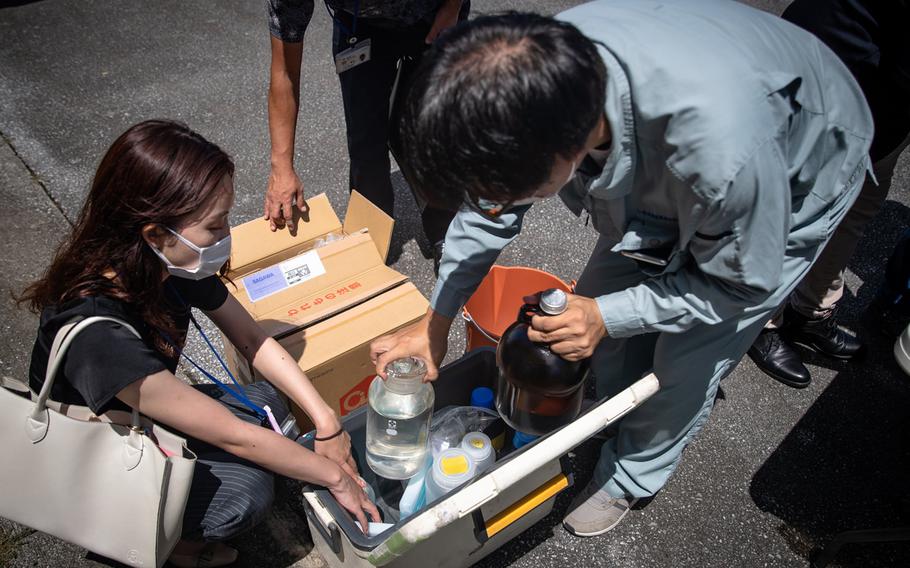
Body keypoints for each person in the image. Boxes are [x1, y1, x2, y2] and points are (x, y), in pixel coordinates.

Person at [369, 1, 873, 537]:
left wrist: (608, 316)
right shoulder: (533, 72)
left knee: (687, 358)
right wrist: (435, 326)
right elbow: (486, 218)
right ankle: (605, 400)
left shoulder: (722, 156)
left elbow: (739, 285)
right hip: (688, 155)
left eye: (504, 195)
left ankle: (632, 473)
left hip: (797, 162)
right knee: (593, 313)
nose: (494, 207)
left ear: (567, 149)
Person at [20, 120, 379, 567]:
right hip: (96, 452)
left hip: (145, 412)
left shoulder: (165, 265)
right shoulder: (98, 334)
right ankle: (174, 549)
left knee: (269, 402)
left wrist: (328, 423)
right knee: (245, 491)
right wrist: (336, 477)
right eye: (215, 226)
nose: (227, 236)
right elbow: (235, 438)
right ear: (155, 234)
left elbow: (250, 338)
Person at [747, 0, 910, 388]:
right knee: (796, 207)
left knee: (858, 207)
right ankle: (759, 318)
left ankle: (811, 311)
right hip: (836, 73)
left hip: (883, 104)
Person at [265, 0, 467, 273]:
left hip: (433, 15)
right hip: (358, 26)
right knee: (365, 143)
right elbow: (285, 73)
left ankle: (445, 230)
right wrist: (281, 167)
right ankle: (372, 232)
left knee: (435, 132)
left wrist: (452, 7)